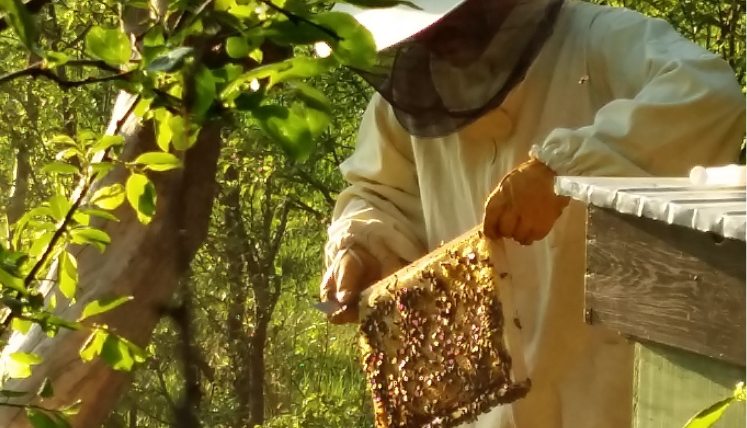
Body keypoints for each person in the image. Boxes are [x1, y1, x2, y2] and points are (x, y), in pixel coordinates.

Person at [317, 0, 746, 426]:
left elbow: (707, 95)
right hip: (483, 410)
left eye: (446, 21)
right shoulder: (408, 100)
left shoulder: (597, 39)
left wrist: (566, 170)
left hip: (604, 393)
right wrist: (361, 248)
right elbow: (379, 193)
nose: (435, 37)